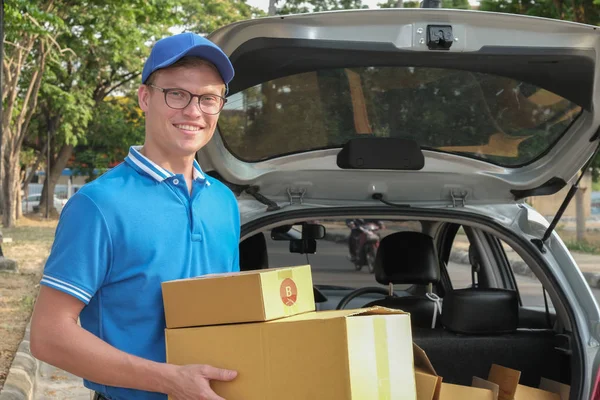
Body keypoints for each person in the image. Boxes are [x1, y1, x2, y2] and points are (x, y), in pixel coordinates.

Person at [29, 32, 240, 400]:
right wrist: (171, 380)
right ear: (145, 97)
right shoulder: (99, 204)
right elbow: (49, 336)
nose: (194, 111)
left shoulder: (224, 202)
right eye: (177, 94)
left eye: (208, 98)